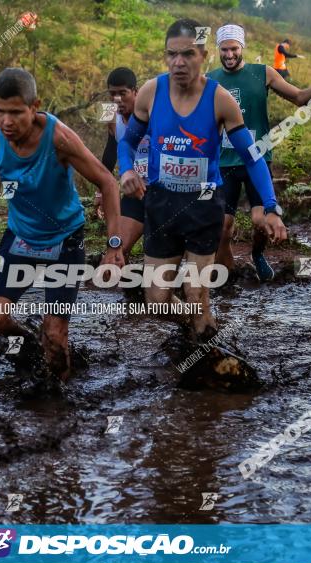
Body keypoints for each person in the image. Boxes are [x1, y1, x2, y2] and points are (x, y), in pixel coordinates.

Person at [117, 19, 288, 340]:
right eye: (172, 55)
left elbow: (252, 157)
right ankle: (200, 336)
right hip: (162, 207)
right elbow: (127, 142)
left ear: (202, 54)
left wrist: (271, 206)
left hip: (204, 206)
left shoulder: (221, 99)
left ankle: (207, 352)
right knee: (156, 301)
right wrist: (126, 169)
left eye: (188, 54)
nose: (179, 62)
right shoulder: (151, 93)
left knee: (195, 292)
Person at [0, 68, 123, 381]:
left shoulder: (59, 139)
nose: (7, 122)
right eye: (0, 112)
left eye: (15, 113)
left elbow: (107, 182)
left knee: (55, 336)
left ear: (34, 106)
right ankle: (29, 345)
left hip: (64, 240)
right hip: (19, 237)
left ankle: (60, 400)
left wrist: (114, 245)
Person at [206, 23, 311, 280]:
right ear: (218, 49)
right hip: (224, 163)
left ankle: (257, 254)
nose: (229, 55)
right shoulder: (210, 79)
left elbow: (300, 98)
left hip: (257, 159)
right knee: (223, 227)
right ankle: (226, 280)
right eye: (224, 49)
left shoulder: (263, 73)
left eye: (234, 49)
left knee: (260, 220)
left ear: (243, 47)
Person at [94, 67, 149, 262]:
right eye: (112, 94)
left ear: (136, 91)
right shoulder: (108, 112)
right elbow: (110, 151)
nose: (117, 100)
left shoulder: (150, 108)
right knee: (116, 251)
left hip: (163, 190)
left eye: (123, 93)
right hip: (134, 190)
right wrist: (100, 192)